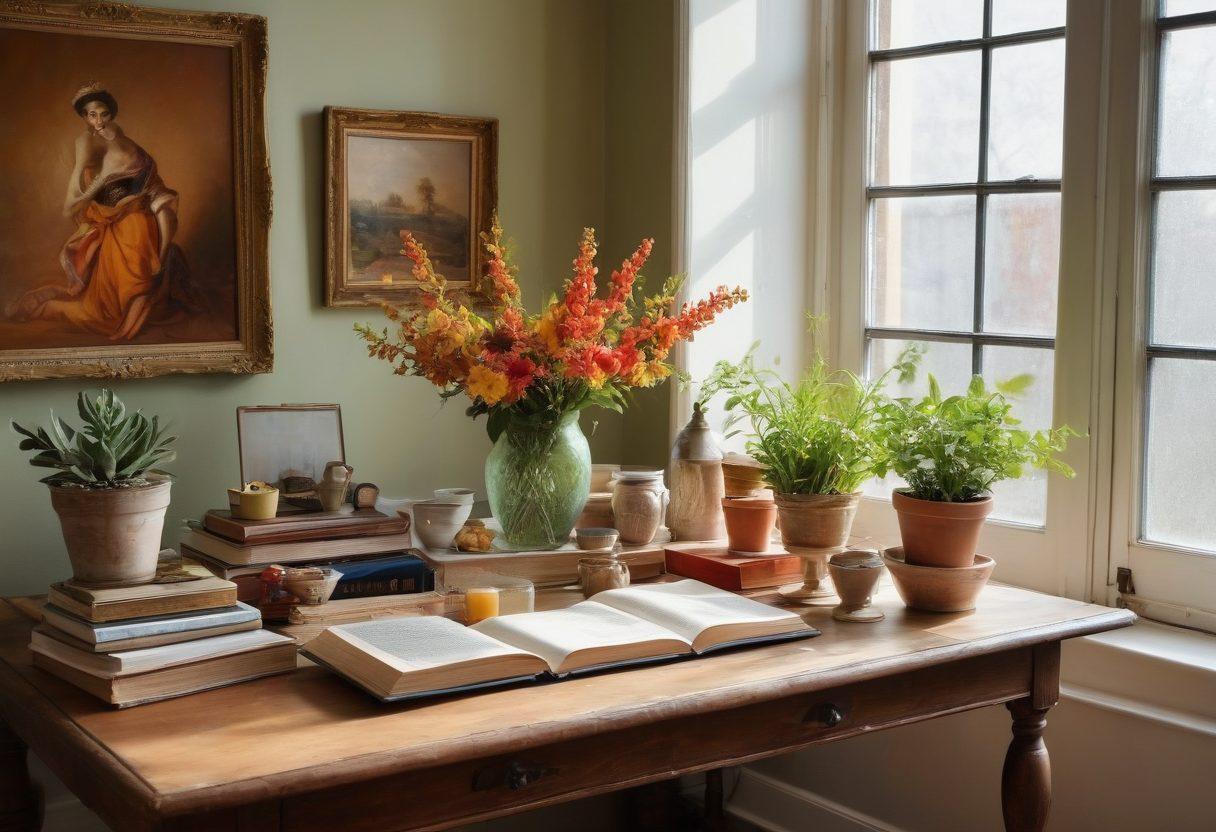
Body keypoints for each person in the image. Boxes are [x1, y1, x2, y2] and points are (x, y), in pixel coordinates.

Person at [5, 82, 196, 340]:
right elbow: (71, 202)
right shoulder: (85, 141)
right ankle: (56, 308)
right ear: (84, 117)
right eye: (92, 114)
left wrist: (159, 237)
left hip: (140, 214)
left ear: (111, 113)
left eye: (104, 113)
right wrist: (94, 186)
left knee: (143, 251)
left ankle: (137, 301)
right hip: (114, 220)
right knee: (104, 309)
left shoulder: (121, 136)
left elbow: (151, 186)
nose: (99, 120)